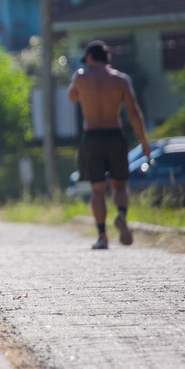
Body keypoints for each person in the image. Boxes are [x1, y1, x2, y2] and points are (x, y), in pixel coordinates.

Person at [68, 40, 151, 250]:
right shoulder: (121, 80)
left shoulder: (81, 77)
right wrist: (144, 142)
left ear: (89, 58)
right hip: (115, 135)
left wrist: (78, 79)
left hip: (92, 136)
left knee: (97, 189)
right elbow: (133, 113)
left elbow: (72, 98)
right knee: (120, 184)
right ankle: (121, 215)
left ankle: (102, 236)